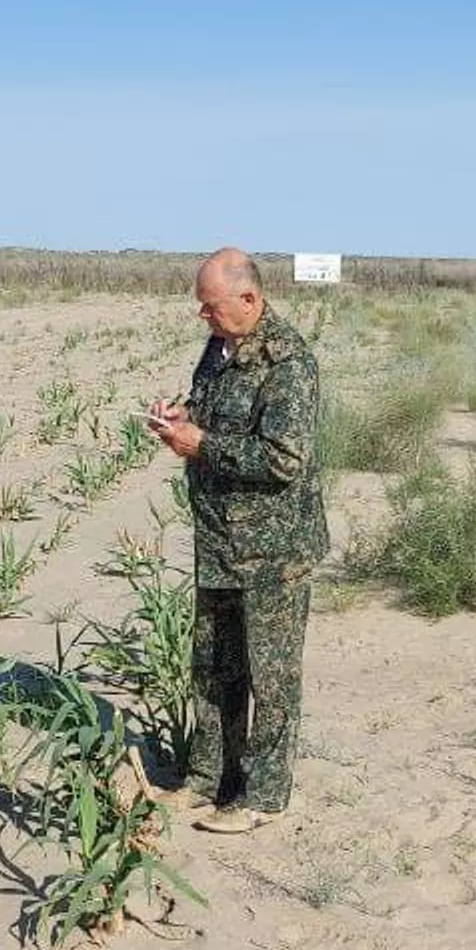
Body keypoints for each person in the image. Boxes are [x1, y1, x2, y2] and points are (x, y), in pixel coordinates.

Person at [148, 247, 329, 834]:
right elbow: (214, 412)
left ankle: (263, 795)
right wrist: (181, 416)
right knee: (213, 665)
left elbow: (283, 460)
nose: (203, 317)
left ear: (249, 300)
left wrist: (201, 445)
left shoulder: (289, 362)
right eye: (202, 308)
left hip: (274, 551)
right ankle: (208, 780)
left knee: (270, 675)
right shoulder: (220, 347)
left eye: (211, 307)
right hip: (221, 541)